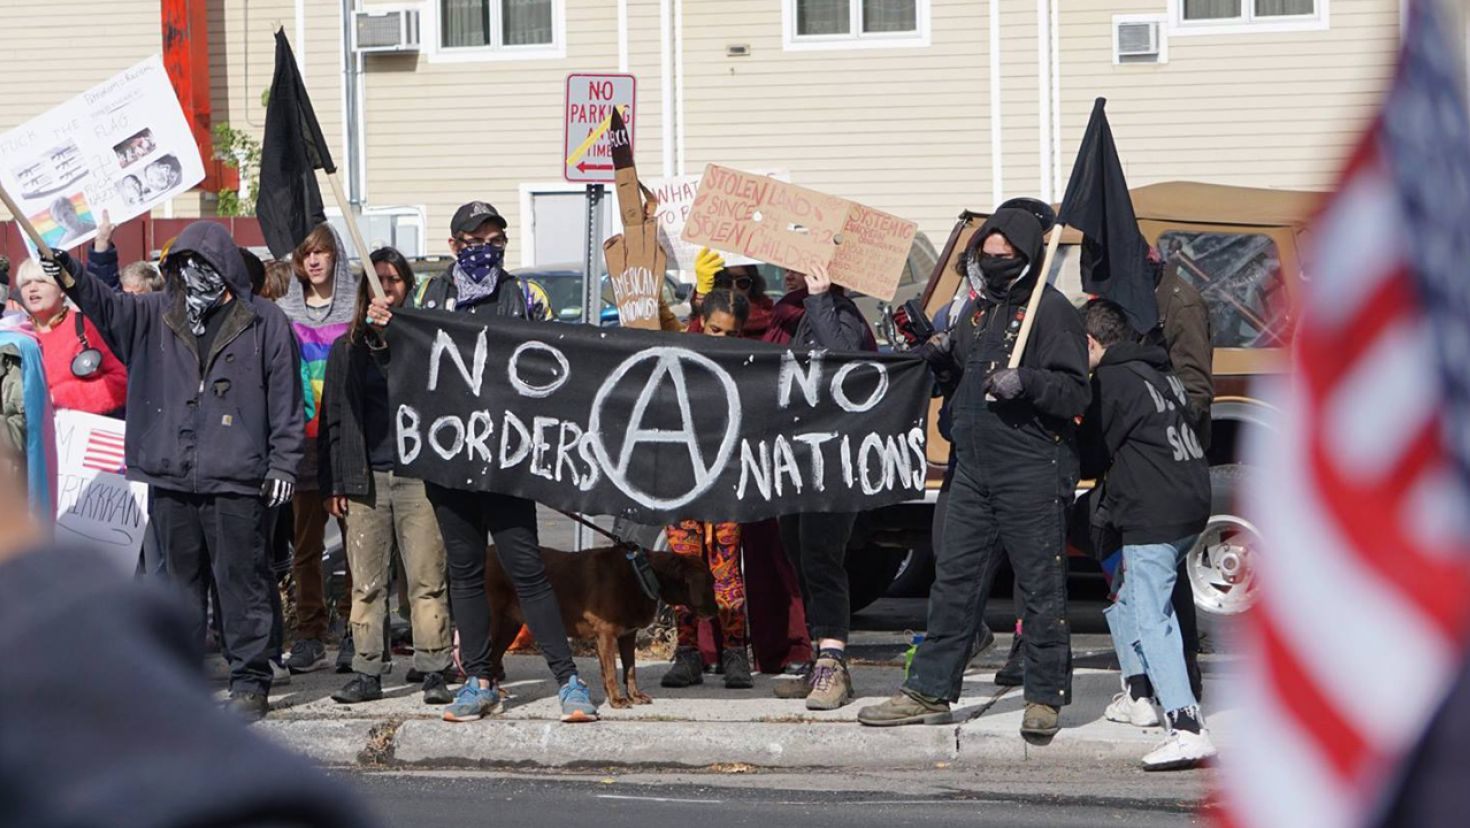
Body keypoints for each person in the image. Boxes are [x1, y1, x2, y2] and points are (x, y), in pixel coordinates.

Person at [0, 438, 376, 828]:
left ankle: (249, 671)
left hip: (225, 471)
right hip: (175, 479)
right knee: (193, 581)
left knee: (234, 579)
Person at [45, 221, 305, 721]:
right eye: (183, 265)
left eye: (203, 265)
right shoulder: (154, 314)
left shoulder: (265, 320)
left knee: (241, 583)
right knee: (178, 588)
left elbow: (286, 400)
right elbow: (106, 305)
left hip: (237, 476)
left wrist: (285, 465)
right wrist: (72, 272)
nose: (193, 274)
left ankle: (250, 680)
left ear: (225, 268)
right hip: (170, 473)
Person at [858, 204, 1089, 738]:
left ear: (1028, 257)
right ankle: (929, 689)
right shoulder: (977, 310)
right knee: (954, 582)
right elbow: (958, 378)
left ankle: (1045, 695)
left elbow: (1075, 391)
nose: (995, 263)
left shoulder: (1050, 312)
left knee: (1039, 586)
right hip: (971, 468)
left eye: (1005, 257)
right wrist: (940, 357)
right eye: (988, 255)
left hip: (1031, 467)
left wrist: (1028, 382)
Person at [367, 200, 599, 724]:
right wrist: (384, 334)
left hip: (508, 458)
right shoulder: (429, 295)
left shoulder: (524, 296)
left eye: (495, 241)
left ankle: (568, 680)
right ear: (453, 246)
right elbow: (402, 372)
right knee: (465, 572)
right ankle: (477, 678)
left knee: (526, 568)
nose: (485, 250)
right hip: (448, 457)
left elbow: (565, 363)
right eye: (474, 241)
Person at [1077, 299, 1214, 769]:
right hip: (1191, 504)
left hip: (1152, 512)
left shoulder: (1111, 382)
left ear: (1092, 343)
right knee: (1130, 597)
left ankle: (1186, 725)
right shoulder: (1165, 374)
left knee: (1153, 616)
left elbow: (1091, 455)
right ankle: (1138, 698)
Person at [321, 248, 453, 706]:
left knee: (425, 578)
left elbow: (434, 390)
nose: (387, 288)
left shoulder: (424, 342)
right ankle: (367, 670)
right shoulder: (347, 348)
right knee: (367, 582)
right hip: (366, 477)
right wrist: (334, 482)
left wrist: (397, 337)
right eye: (377, 280)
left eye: (394, 280)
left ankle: (434, 666)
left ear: (407, 287)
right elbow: (335, 416)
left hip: (418, 477)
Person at [759, 261, 877, 710]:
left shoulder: (838, 312)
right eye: (787, 267)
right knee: (800, 558)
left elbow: (844, 358)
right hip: (793, 460)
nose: (791, 275)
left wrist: (822, 298)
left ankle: (833, 661)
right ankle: (817, 658)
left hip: (834, 462)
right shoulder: (787, 316)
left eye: (801, 268)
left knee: (822, 559)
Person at [661, 289, 755, 690]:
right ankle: (687, 654)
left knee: (726, 570)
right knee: (684, 568)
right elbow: (652, 321)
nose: (721, 340)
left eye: (731, 334)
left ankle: (735, 654)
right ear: (701, 319)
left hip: (726, 480)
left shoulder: (750, 365)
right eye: (714, 329)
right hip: (680, 480)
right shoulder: (678, 346)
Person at [278, 224, 357, 675]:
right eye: (307, 254)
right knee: (306, 548)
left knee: (357, 548)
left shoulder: (355, 308)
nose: (314, 261)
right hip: (303, 446)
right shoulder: (285, 313)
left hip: (346, 445)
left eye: (322, 252)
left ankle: (355, 631)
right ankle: (310, 633)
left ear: (335, 257)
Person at [1150, 249, 1214, 701]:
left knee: (1165, 572)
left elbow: (1195, 388)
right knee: (1144, 577)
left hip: (1168, 453)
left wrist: (1156, 422)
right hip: (1139, 454)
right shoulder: (1144, 297)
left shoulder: (1178, 301)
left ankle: (1183, 680)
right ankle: (1153, 681)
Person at [14, 258, 127, 418]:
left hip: (82, 433)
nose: (32, 288)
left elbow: (121, 382)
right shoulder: (15, 335)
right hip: (31, 436)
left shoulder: (86, 326)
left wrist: (57, 397)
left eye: (41, 281)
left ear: (62, 290)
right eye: (25, 284)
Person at [686, 248, 773, 337]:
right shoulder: (703, 316)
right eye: (726, 282)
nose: (734, 288)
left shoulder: (771, 321)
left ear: (753, 285)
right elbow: (690, 341)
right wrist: (702, 296)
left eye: (742, 282)